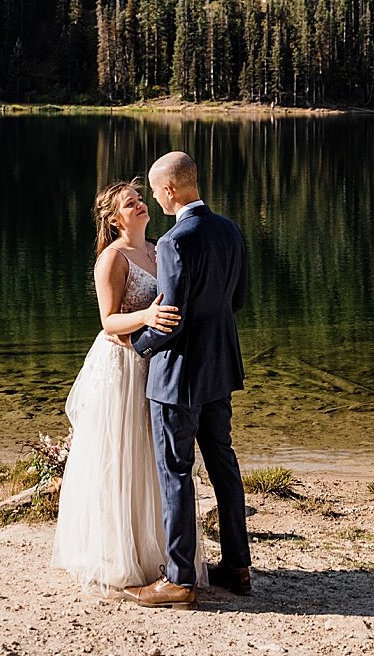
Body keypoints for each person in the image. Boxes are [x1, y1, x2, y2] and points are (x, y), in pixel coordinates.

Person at [125, 150, 253, 608]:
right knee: (223, 463)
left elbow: (169, 320)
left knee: (175, 470)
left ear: (171, 190)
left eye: (157, 192)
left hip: (178, 375)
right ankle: (237, 566)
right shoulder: (230, 230)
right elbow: (236, 300)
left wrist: (136, 348)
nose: (155, 200)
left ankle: (179, 579)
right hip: (220, 368)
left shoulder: (174, 242)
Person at [50, 178, 189, 591]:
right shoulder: (112, 259)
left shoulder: (159, 247)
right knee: (121, 454)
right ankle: (120, 553)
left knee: (153, 456)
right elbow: (109, 322)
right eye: (131, 204)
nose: (141, 205)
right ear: (114, 219)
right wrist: (146, 317)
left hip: (156, 364)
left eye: (141, 199)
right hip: (123, 367)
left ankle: (160, 551)